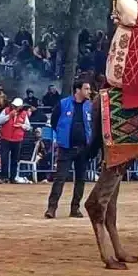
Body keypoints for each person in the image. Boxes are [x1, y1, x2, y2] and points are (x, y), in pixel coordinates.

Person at [45, 80, 93, 218]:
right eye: (87, 88)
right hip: (66, 148)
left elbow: (92, 125)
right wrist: (61, 136)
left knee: (81, 179)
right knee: (60, 178)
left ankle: (75, 208)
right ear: (78, 90)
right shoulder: (63, 104)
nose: (89, 91)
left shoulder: (90, 106)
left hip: (83, 148)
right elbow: (54, 122)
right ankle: (52, 208)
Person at [0, 97, 32, 183]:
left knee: (15, 159)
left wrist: (21, 125)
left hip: (17, 139)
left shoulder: (24, 114)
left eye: (17, 106)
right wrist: (9, 116)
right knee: (4, 159)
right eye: (14, 105)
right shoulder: (6, 110)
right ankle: (4, 176)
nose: (15, 107)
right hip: (5, 138)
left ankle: (13, 177)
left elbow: (28, 127)